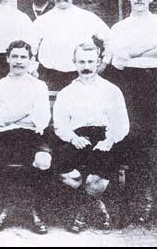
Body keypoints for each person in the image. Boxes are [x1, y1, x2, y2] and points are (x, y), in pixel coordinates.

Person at [108, 0, 157, 224]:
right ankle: (138, 201)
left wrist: (134, 52)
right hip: (131, 85)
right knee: (134, 139)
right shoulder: (119, 27)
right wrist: (153, 47)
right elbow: (119, 60)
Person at [53, 42, 129, 233]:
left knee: (95, 179)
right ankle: (98, 207)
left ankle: (81, 212)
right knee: (66, 174)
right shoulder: (66, 93)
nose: (86, 67)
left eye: (90, 61)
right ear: (74, 63)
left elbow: (121, 122)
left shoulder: (111, 90)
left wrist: (110, 140)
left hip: (104, 138)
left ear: (98, 62)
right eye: (81, 62)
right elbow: (60, 124)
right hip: (78, 138)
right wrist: (72, 137)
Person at [0, 40, 52, 234]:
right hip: (3, 137)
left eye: (23, 57)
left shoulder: (39, 86)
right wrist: (25, 113)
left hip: (31, 137)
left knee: (43, 161)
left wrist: (12, 116)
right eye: (15, 56)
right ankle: (3, 209)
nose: (19, 61)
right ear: (7, 59)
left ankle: (33, 210)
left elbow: (42, 119)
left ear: (30, 61)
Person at [34, 0, 111, 90]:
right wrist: (32, 69)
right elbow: (29, 47)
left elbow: (110, 39)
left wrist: (104, 62)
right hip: (50, 77)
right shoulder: (42, 21)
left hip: (81, 74)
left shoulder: (87, 17)